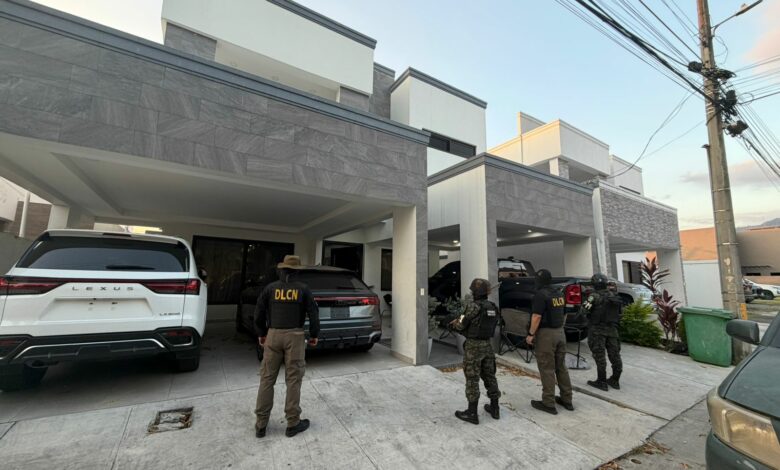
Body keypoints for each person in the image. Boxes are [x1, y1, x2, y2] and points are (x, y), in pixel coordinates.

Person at [254, 255, 320, 438]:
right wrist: (314, 334)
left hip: (273, 335)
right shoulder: (303, 289)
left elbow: (259, 311)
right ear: (297, 271)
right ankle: (292, 422)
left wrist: (261, 333)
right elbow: (313, 313)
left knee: (267, 379)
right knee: (293, 380)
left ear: (281, 270)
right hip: (295, 337)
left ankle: (261, 424)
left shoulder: (270, 288)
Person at [449, 278, 501, 425]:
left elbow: (461, 325)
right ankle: (495, 408)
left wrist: (453, 324)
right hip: (487, 346)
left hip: (473, 347)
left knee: (472, 379)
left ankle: (472, 413)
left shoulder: (473, 307)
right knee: (490, 376)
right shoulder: (492, 307)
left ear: (474, 292)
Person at [526, 269, 574, 415]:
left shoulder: (540, 295)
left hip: (546, 335)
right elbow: (564, 314)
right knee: (561, 367)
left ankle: (548, 403)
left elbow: (536, 317)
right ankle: (567, 399)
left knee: (547, 368)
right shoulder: (559, 293)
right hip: (560, 332)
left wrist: (530, 334)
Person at [582, 273, 623, 391]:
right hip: (612, 330)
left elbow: (584, 310)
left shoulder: (594, 296)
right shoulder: (614, 295)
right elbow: (620, 313)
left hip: (597, 331)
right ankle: (615, 380)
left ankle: (601, 381)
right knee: (615, 355)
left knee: (599, 356)